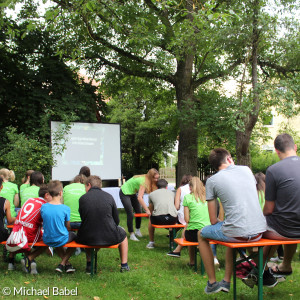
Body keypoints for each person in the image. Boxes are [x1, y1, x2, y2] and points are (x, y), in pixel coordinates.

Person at [198, 148, 267, 294]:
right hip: (258, 231)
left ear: (214, 165)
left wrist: (220, 222)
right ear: (229, 158)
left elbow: (212, 220)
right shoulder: (247, 170)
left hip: (237, 233)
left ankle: (211, 283)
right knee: (230, 232)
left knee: (201, 234)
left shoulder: (212, 180)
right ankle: (226, 281)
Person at [253, 134, 300, 281]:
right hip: (295, 227)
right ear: (295, 147)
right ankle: (285, 265)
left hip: (283, 230)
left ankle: (258, 269)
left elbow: (268, 209)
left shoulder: (274, 170)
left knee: (265, 225)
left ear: (277, 151)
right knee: (285, 220)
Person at [76, 175, 130, 273]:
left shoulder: (82, 198)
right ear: (100, 185)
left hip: (86, 237)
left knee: (86, 229)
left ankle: (89, 264)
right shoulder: (109, 197)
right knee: (123, 234)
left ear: (89, 185)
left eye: (85, 187)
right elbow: (116, 220)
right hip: (109, 236)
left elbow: (84, 218)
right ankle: (124, 265)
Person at [11, 184, 52, 274]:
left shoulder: (30, 200)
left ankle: (29, 263)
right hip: (27, 235)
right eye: (51, 195)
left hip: (17, 232)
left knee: (31, 232)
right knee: (48, 241)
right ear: (47, 195)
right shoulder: (45, 205)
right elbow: (46, 224)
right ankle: (29, 258)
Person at [41, 180, 76, 273]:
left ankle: (67, 265)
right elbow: (68, 226)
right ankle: (63, 263)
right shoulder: (65, 208)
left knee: (57, 237)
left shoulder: (44, 207)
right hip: (60, 238)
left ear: (49, 193)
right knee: (76, 238)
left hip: (47, 238)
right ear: (61, 193)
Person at [119, 168, 159, 241]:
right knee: (130, 213)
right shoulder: (143, 181)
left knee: (138, 211)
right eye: (155, 178)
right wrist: (147, 210)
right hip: (124, 192)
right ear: (150, 177)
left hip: (132, 193)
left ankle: (137, 230)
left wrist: (147, 209)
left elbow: (145, 195)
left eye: (157, 178)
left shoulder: (148, 180)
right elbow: (139, 198)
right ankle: (131, 234)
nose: (156, 180)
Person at [182, 177, 211, 266]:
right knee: (206, 240)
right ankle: (211, 261)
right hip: (208, 231)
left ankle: (192, 262)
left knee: (188, 233)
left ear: (191, 187)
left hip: (193, 234)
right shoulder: (208, 197)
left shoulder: (187, 197)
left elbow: (186, 219)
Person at [146, 179, 178, 249]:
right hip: (172, 219)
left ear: (157, 187)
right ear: (166, 187)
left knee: (150, 219)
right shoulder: (172, 193)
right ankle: (172, 242)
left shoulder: (151, 194)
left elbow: (151, 210)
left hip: (158, 219)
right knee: (174, 224)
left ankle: (151, 242)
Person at [167, 174, 192, 257]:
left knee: (175, 224)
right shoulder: (199, 190)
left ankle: (171, 242)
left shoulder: (180, 189)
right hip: (196, 216)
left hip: (184, 217)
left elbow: (176, 206)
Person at [0, 177, 16, 242]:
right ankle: (7, 251)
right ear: (1, 187)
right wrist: (17, 218)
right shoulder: (5, 202)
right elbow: (9, 221)